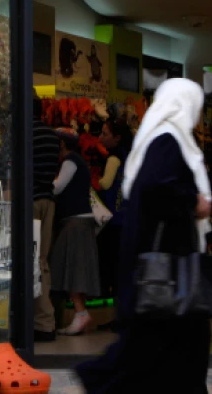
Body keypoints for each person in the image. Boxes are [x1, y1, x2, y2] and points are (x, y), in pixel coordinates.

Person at [76, 78, 212, 394]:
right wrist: (194, 202)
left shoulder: (161, 137)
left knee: (155, 353)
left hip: (160, 264)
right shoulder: (168, 140)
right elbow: (156, 189)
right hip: (170, 267)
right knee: (167, 352)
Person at [50, 128, 100, 335]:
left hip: (75, 222)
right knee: (73, 267)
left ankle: (81, 313)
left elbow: (58, 187)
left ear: (61, 144)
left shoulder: (70, 161)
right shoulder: (77, 161)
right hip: (79, 222)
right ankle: (81, 313)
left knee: (72, 268)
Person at [95, 115, 133, 311]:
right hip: (127, 218)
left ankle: (119, 314)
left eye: (105, 134)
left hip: (112, 220)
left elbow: (105, 183)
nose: (101, 138)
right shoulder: (129, 155)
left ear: (116, 137)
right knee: (123, 268)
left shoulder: (113, 158)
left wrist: (93, 181)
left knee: (112, 267)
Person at [32, 96, 62, 343]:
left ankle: (31, 320)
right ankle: (46, 321)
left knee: (26, 259)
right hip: (48, 201)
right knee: (41, 260)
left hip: (28, 202)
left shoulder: (21, 132)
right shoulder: (53, 137)